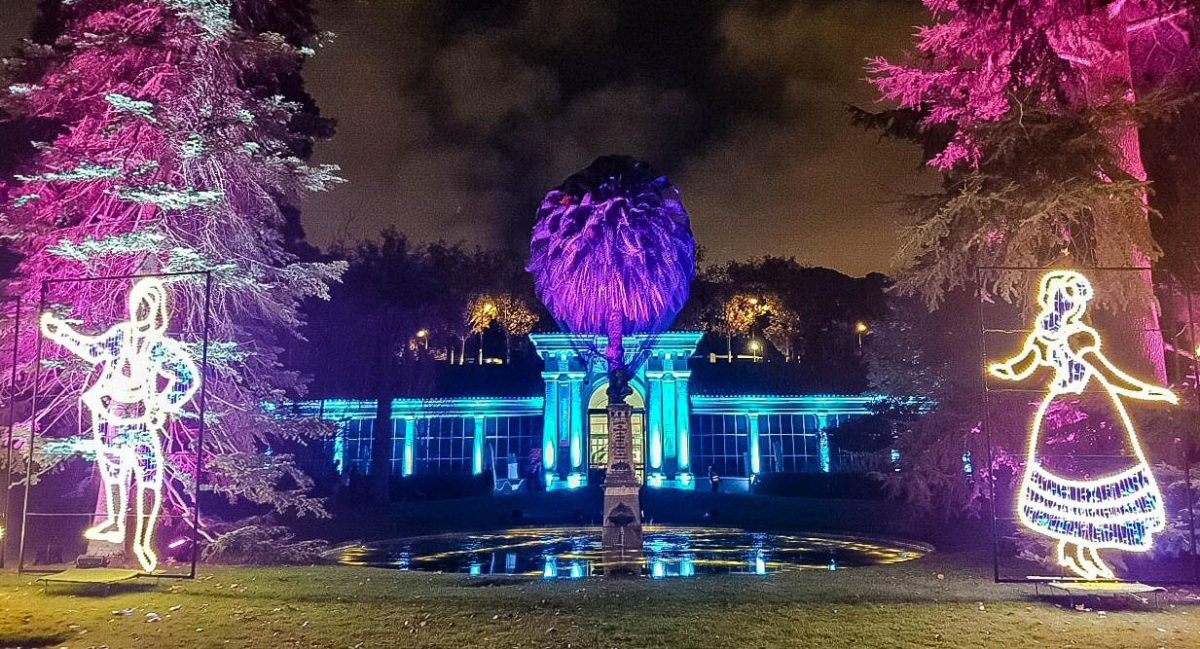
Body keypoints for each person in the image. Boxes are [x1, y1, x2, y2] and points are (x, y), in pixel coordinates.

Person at [989, 271, 1176, 580]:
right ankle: (1076, 551)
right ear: (1064, 300)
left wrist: (1002, 369)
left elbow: (1019, 367)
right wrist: (1150, 391)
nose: (1078, 305)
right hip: (1085, 408)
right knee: (1085, 475)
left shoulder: (1052, 335)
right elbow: (1108, 374)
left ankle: (1080, 551)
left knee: (1087, 476)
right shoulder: (1072, 337)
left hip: (1072, 407)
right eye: (1075, 298)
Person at [41, 277, 200, 572]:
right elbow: (91, 349)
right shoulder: (118, 336)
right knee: (114, 473)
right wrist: (62, 333)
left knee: (149, 478)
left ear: (157, 313)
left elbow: (187, 378)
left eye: (149, 307)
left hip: (141, 419)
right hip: (109, 414)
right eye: (139, 305)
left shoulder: (158, 347)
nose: (143, 312)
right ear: (132, 307)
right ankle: (114, 522)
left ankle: (141, 542)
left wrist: (163, 404)